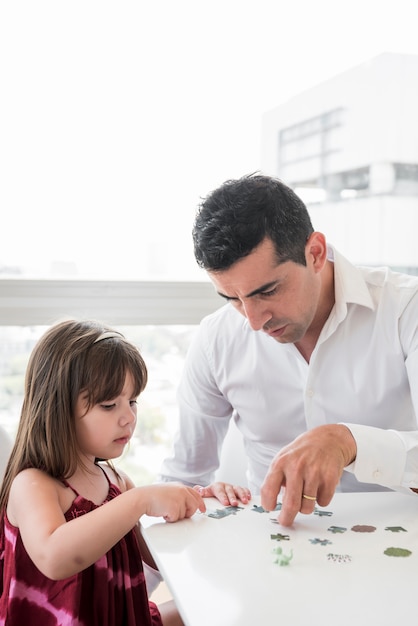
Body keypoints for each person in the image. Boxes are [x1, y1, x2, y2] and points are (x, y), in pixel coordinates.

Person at [159, 172, 418, 527]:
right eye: (233, 299)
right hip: (272, 558)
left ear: (315, 252)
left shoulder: (407, 310)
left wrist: (350, 442)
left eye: (267, 291)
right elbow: (183, 479)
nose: (253, 320)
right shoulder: (216, 339)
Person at [0, 319, 209, 626]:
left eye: (133, 401)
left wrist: (198, 506)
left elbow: (151, 557)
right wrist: (139, 500)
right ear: (58, 407)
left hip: (123, 616)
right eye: (109, 405)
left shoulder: (117, 482)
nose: (129, 418)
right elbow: (55, 558)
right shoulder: (33, 485)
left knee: (213, 609)